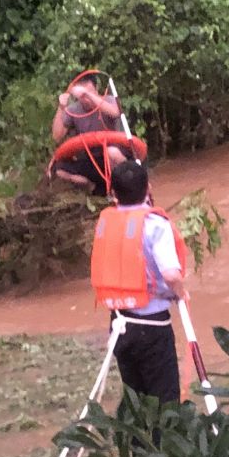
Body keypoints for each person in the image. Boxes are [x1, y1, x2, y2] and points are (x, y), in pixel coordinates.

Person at [89, 158, 186, 409]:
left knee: (137, 398)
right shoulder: (156, 225)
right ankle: (163, 447)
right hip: (152, 326)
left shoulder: (106, 222)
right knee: (164, 401)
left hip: (119, 324)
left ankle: (138, 447)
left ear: (112, 194)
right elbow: (171, 274)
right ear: (148, 188)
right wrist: (181, 293)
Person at [50, 74, 129, 195]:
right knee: (60, 169)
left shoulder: (108, 100)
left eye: (88, 91)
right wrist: (61, 107)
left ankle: (118, 189)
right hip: (91, 159)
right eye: (80, 95)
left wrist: (87, 94)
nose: (84, 98)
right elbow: (57, 136)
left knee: (112, 152)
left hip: (113, 155)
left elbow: (115, 112)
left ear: (97, 89)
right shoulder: (73, 110)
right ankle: (93, 188)